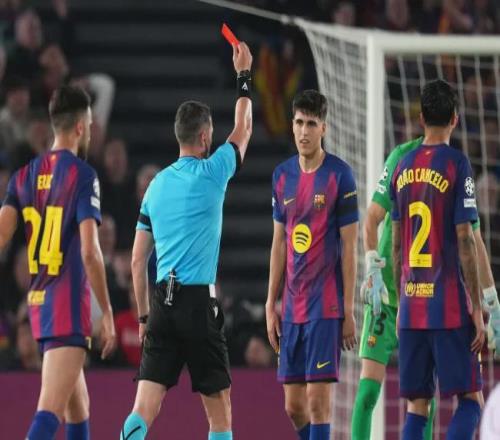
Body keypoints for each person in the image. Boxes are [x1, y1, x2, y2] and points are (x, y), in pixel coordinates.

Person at [119, 41, 253, 440]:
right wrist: (243, 74)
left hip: (161, 303)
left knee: (144, 407)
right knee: (220, 415)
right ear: (206, 136)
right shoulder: (213, 172)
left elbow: (137, 260)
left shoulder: (155, 186)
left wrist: (144, 318)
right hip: (197, 305)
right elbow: (244, 128)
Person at [351, 134, 500, 439]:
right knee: (369, 393)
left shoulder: (446, 164)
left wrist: (491, 301)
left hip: (420, 299)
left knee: (421, 404)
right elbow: (372, 219)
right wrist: (372, 268)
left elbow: (474, 240)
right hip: (387, 297)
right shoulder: (404, 158)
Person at [0, 85, 116, 440]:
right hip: (67, 305)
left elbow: (2, 235)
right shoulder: (82, 175)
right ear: (80, 127)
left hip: (39, 302)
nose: (91, 131)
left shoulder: (23, 175)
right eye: (90, 125)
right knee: (49, 411)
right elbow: (90, 252)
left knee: (78, 407)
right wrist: (106, 312)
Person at [391, 79, 485, 440]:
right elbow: (465, 239)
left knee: (417, 406)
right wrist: (476, 307)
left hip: (411, 305)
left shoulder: (402, 167)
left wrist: (401, 300)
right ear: (455, 119)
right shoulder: (457, 164)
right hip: (448, 307)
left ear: (420, 118)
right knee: (470, 401)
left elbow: (396, 245)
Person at [266, 89, 358, 440]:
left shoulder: (340, 176)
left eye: (311, 124)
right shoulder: (281, 176)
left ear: (324, 129)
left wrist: (348, 309)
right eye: (299, 123)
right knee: (293, 406)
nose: (304, 131)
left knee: (319, 403)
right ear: (292, 125)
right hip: (292, 306)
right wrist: (270, 303)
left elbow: (350, 246)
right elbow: (279, 242)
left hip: (326, 305)